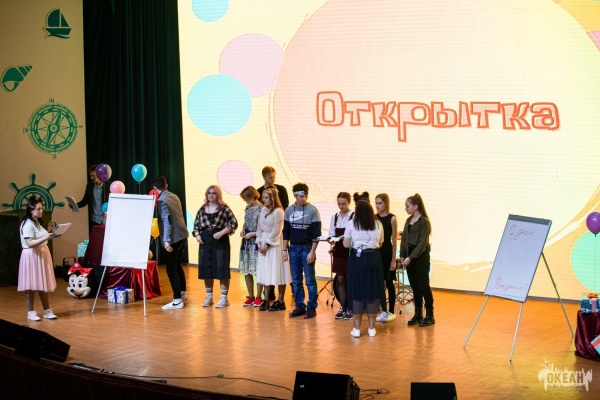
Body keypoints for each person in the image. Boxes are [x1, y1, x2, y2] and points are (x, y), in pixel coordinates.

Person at [193, 185, 238, 308]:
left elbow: (233, 223)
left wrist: (222, 232)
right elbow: (196, 225)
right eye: (209, 193)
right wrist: (197, 235)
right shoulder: (202, 209)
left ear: (218, 195)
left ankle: (224, 298)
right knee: (206, 267)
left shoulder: (224, 208)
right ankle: (209, 296)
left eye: (214, 193)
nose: (211, 195)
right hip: (205, 240)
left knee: (222, 267)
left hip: (220, 240)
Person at [343, 200, 383, 337]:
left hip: (357, 259)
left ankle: (357, 329)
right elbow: (381, 243)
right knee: (372, 293)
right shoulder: (378, 223)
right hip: (374, 258)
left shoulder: (352, 223)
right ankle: (372, 329)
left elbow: (346, 244)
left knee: (357, 293)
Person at [282, 183, 321, 318]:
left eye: (305, 196)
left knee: (310, 280)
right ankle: (299, 306)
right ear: (295, 195)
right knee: (296, 280)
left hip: (307, 247)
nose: (303, 198)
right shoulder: (289, 210)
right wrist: (284, 250)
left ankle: (312, 307)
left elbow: (316, 233)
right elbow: (286, 231)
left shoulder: (313, 210)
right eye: (301, 196)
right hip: (293, 248)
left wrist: (312, 251)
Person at [18, 195, 58, 321]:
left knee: (42, 283)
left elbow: (39, 236)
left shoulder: (37, 222)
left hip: (40, 255)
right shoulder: (27, 224)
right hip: (31, 256)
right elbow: (30, 243)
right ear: (31, 210)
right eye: (38, 209)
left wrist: (49, 230)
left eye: (41, 208)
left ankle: (46, 310)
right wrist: (46, 237)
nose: (41, 211)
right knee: (30, 285)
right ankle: (30, 312)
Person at [153, 176, 190, 310]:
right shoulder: (174, 196)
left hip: (173, 239)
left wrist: (166, 241)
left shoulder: (161, 200)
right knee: (177, 265)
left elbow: (167, 220)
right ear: (166, 185)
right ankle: (182, 293)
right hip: (182, 235)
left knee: (171, 269)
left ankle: (177, 300)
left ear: (154, 188)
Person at [400, 193, 434, 327]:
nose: (406, 208)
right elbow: (404, 238)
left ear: (415, 207)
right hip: (409, 256)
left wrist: (410, 257)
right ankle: (418, 313)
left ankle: (430, 315)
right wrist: (403, 254)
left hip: (420, 257)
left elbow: (422, 244)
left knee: (423, 285)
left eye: (407, 206)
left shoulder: (424, 222)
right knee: (414, 285)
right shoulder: (408, 220)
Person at [256, 188, 291, 311]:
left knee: (278, 270)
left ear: (272, 198)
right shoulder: (263, 210)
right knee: (266, 271)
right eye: (263, 197)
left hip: (275, 243)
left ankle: (280, 300)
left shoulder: (278, 212)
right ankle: (266, 299)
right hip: (264, 241)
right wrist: (259, 242)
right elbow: (259, 227)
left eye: (266, 197)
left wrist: (267, 244)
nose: (263, 200)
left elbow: (277, 229)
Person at [328, 192, 354, 320]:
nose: (341, 206)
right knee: (340, 279)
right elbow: (331, 234)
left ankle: (351, 307)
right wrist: (330, 239)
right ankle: (343, 306)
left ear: (349, 203)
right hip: (338, 250)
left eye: (343, 204)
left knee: (350, 279)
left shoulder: (354, 216)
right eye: (339, 204)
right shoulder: (335, 217)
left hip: (350, 252)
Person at [375, 193, 399, 323]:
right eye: (376, 203)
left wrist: (393, 259)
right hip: (377, 251)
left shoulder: (392, 218)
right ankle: (383, 310)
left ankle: (391, 311)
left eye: (379, 203)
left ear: (386, 204)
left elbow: (394, 240)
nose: (377, 206)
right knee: (380, 282)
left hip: (388, 252)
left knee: (389, 282)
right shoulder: (375, 218)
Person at [238, 186, 263, 306]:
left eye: (246, 198)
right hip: (246, 242)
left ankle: (259, 296)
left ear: (253, 196)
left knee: (258, 270)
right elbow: (245, 222)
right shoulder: (247, 208)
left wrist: (252, 234)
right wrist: (243, 230)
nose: (245, 201)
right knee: (247, 269)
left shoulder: (262, 209)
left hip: (256, 241)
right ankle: (251, 296)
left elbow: (264, 228)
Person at [74, 164, 111, 233]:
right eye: (91, 176)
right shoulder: (89, 186)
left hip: (107, 220)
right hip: (94, 220)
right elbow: (85, 200)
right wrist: (74, 205)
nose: (91, 178)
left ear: (100, 174)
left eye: (94, 176)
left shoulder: (109, 186)